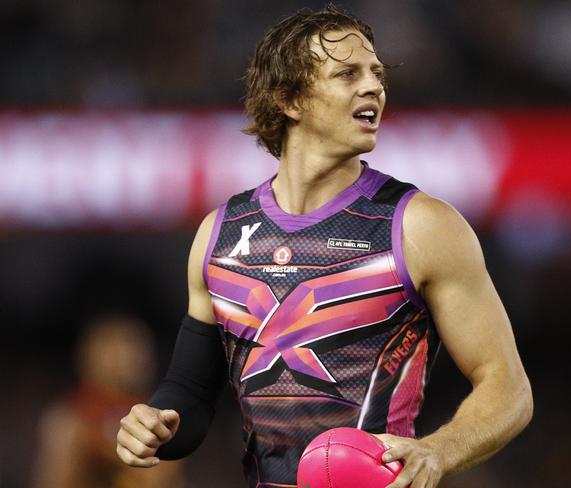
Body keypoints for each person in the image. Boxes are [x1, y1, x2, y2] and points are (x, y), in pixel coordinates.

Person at [116, 5, 533, 488]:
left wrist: (437, 452)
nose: (374, 86)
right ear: (289, 99)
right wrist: (154, 427)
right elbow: (190, 392)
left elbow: (509, 389)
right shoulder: (219, 234)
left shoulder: (421, 226)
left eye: (377, 73)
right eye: (347, 73)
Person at [32, 313, 186, 488]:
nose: (137, 356)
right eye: (125, 346)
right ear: (92, 355)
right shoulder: (71, 419)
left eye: (141, 347)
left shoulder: (160, 415)